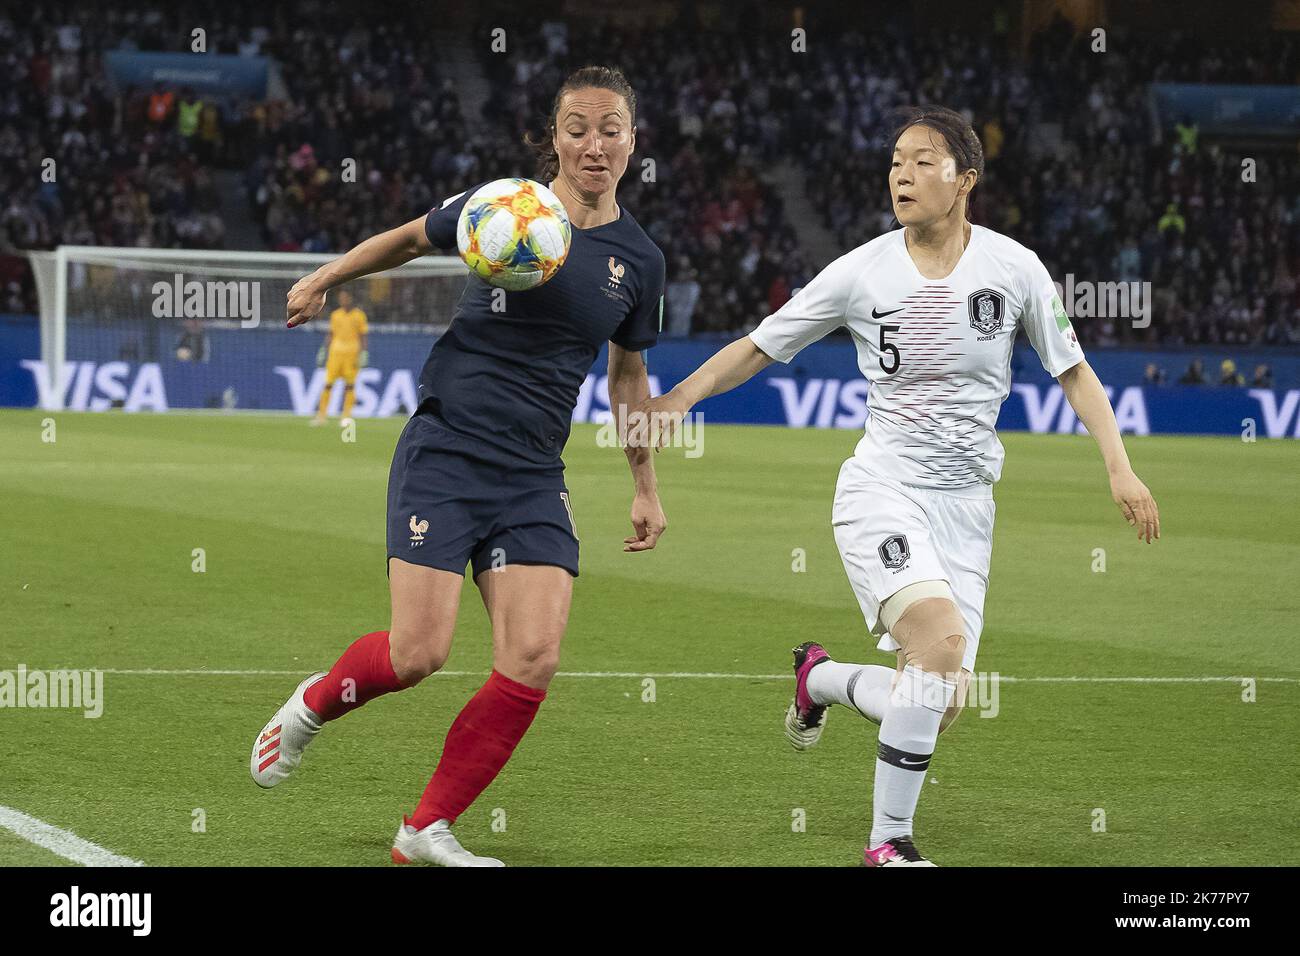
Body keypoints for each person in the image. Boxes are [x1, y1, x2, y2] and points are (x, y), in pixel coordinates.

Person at [636, 106, 1160, 867]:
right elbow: (760, 346)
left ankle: (821, 679)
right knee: (941, 642)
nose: (902, 176)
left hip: (967, 511)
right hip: (882, 489)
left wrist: (1120, 465)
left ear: (965, 179)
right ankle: (889, 844)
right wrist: (678, 401)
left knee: (937, 703)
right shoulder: (862, 270)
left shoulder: (1014, 269)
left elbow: (1074, 373)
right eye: (894, 162)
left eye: (922, 162)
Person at [250, 66, 667, 866]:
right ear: (554, 137)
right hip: (447, 447)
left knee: (535, 656)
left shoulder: (639, 260)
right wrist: (327, 277)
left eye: (611, 128)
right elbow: (410, 238)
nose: (594, 144)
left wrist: (646, 486)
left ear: (632, 142)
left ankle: (426, 828)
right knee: (418, 655)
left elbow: (626, 376)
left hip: (534, 472)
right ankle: (311, 706)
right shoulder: (502, 206)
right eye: (577, 127)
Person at [312, 288, 369, 426]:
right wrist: (323, 350)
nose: (343, 300)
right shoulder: (335, 315)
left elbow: (363, 336)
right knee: (328, 384)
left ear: (350, 299)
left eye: (345, 298)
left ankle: (346, 416)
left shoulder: (359, 316)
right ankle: (321, 415)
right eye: (341, 298)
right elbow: (331, 334)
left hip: (352, 354)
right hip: (335, 353)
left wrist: (364, 353)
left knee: (349, 386)